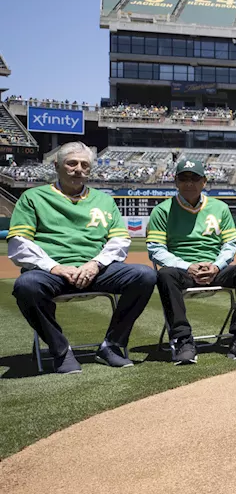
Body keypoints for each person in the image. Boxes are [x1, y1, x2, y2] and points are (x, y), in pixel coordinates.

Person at [8, 142, 156, 373]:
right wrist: (55, 267)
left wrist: (95, 264)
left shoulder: (104, 200)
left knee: (144, 275)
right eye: (72, 163)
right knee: (26, 285)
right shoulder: (33, 197)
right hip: (52, 272)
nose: (78, 169)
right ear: (57, 166)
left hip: (95, 270)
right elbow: (19, 243)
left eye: (84, 165)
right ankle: (60, 351)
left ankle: (112, 346)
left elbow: (119, 241)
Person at [147, 158, 236, 363]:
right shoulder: (162, 210)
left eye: (195, 178)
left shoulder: (219, 208)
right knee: (164, 274)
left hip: (214, 268)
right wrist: (188, 266)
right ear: (175, 181)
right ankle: (183, 339)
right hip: (182, 270)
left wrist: (216, 266)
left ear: (204, 182)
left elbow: (230, 244)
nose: (189, 183)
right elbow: (156, 249)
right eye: (184, 178)